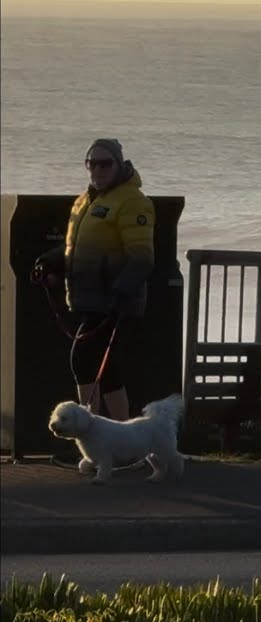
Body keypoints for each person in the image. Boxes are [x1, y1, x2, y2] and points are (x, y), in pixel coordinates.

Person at [33, 138, 155, 470]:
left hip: (113, 303)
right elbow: (76, 251)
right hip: (86, 300)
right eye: (92, 163)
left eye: (105, 164)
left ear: (119, 165)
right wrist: (50, 263)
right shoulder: (84, 201)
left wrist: (121, 292)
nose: (98, 170)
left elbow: (142, 258)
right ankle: (130, 450)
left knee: (83, 361)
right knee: (110, 373)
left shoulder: (133, 202)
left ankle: (95, 440)